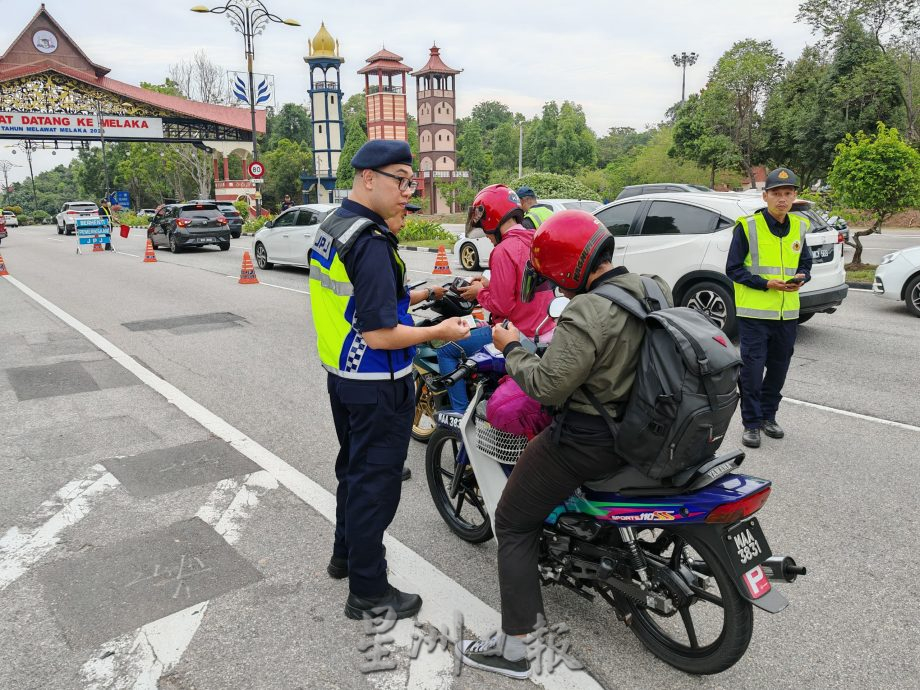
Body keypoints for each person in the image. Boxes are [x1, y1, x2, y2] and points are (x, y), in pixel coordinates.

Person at [459, 210, 671, 679]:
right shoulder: (651, 286)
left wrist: (512, 347)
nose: (553, 285)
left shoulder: (587, 309)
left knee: (513, 521)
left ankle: (516, 648)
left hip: (590, 437)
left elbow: (548, 386)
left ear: (569, 269)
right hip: (645, 426)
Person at [308, 139, 470, 621]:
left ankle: (345, 556)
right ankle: (369, 591)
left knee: (353, 473)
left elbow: (365, 303)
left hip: (344, 377)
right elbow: (380, 333)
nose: (408, 192)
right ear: (368, 178)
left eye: (411, 182)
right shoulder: (371, 243)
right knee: (375, 486)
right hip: (377, 381)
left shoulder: (334, 227)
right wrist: (440, 330)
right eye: (401, 180)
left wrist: (431, 290)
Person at [437, 184, 555, 412]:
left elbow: (502, 304)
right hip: (543, 330)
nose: (488, 238)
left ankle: (459, 417)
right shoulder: (533, 239)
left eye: (487, 232)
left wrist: (478, 292)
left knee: (447, 351)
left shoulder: (502, 250)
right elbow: (524, 285)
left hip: (517, 333)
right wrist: (490, 284)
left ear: (493, 220)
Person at [726, 167, 812, 449]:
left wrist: (802, 277)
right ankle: (750, 424)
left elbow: (805, 263)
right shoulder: (747, 226)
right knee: (752, 371)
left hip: (787, 314)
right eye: (776, 193)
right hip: (754, 314)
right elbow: (733, 269)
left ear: (795, 196)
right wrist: (766, 284)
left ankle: (768, 417)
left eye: (788, 193)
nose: (782, 199)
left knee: (778, 369)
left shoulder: (799, 227)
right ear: (765, 196)